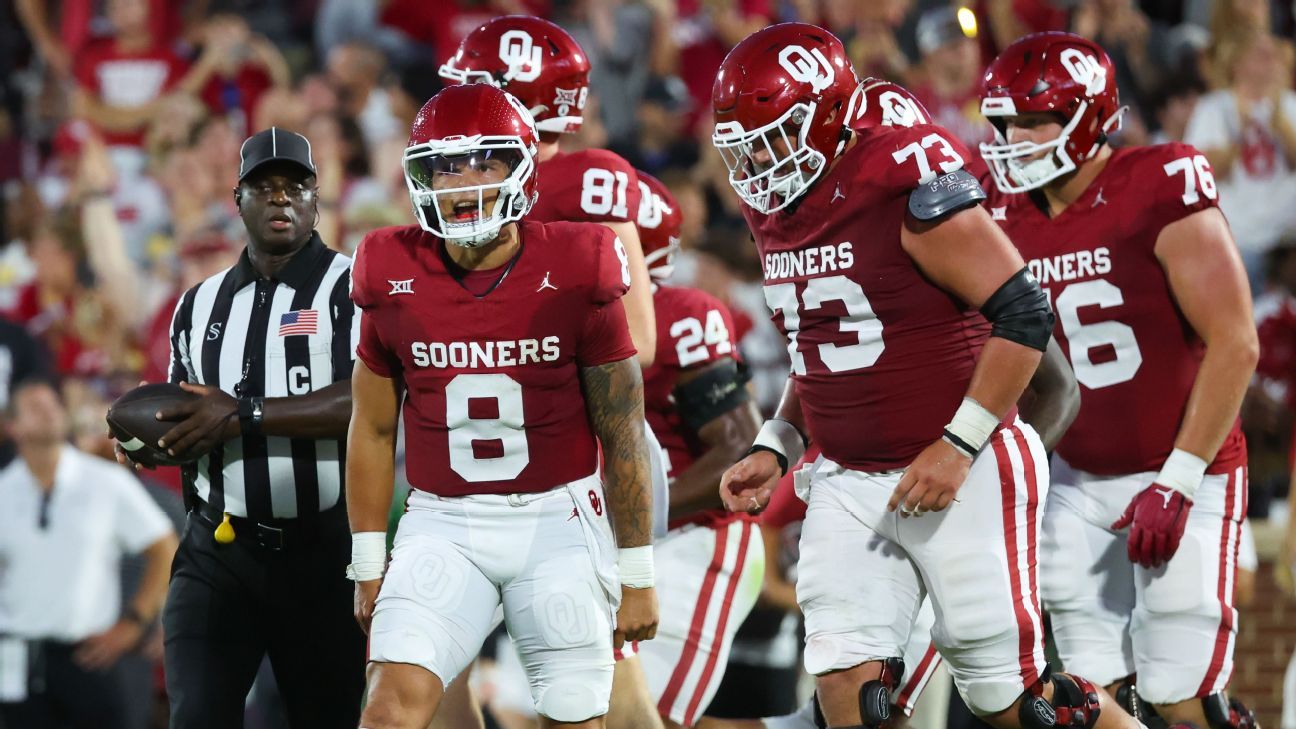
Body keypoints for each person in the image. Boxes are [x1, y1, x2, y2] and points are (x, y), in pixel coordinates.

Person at [710, 21, 1138, 729]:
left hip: (961, 467)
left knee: (1015, 705)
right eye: (745, 146)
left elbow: (1025, 315)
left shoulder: (897, 173)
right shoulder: (773, 201)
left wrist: (960, 442)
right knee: (849, 694)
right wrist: (778, 441)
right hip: (848, 479)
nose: (759, 163)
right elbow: (819, 343)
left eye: (776, 137)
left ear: (826, 119)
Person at [346, 83, 658, 729]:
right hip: (442, 522)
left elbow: (622, 425)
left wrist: (637, 569)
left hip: (558, 521)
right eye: (446, 166)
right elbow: (372, 427)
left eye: (484, 161)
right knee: (386, 712)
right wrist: (369, 561)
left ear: (521, 167)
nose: (463, 183)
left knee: (572, 717)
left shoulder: (579, 261)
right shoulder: (389, 269)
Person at [979, 32, 1259, 729]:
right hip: (1072, 481)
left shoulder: (1158, 183)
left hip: (1184, 469)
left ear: (1089, 116)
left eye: (1032, 120)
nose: (1013, 137)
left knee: (1180, 695)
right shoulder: (1000, 215)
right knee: (1085, 699)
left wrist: (1181, 477)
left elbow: (1235, 341)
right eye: (1005, 122)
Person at [440, 17, 671, 729]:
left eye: (474, 87)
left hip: (581, 462)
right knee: (434, 655)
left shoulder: (587, 179)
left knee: (589, 685)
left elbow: (638, 339)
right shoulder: (456, 183)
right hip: (486, 452)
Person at [116, 126, 366, 728]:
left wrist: (244, 413)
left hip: (322, 554)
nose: (280, 199)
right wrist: (146, 439)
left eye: (295, 187)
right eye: (264, 187)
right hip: (217, 551)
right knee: (197, 716)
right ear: (239, 200)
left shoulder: (353, 286)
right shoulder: (196, 303)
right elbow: (187, 410)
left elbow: (371, 404)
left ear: (316, 198)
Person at [0, 378, 176, 729]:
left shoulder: (104, 481)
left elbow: (164, 546)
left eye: (54, 404)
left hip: (90, 658)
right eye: (36, 407)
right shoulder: (4, 491)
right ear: (12, 426)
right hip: (18, 659)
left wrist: (135, 622)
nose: (50, 412)